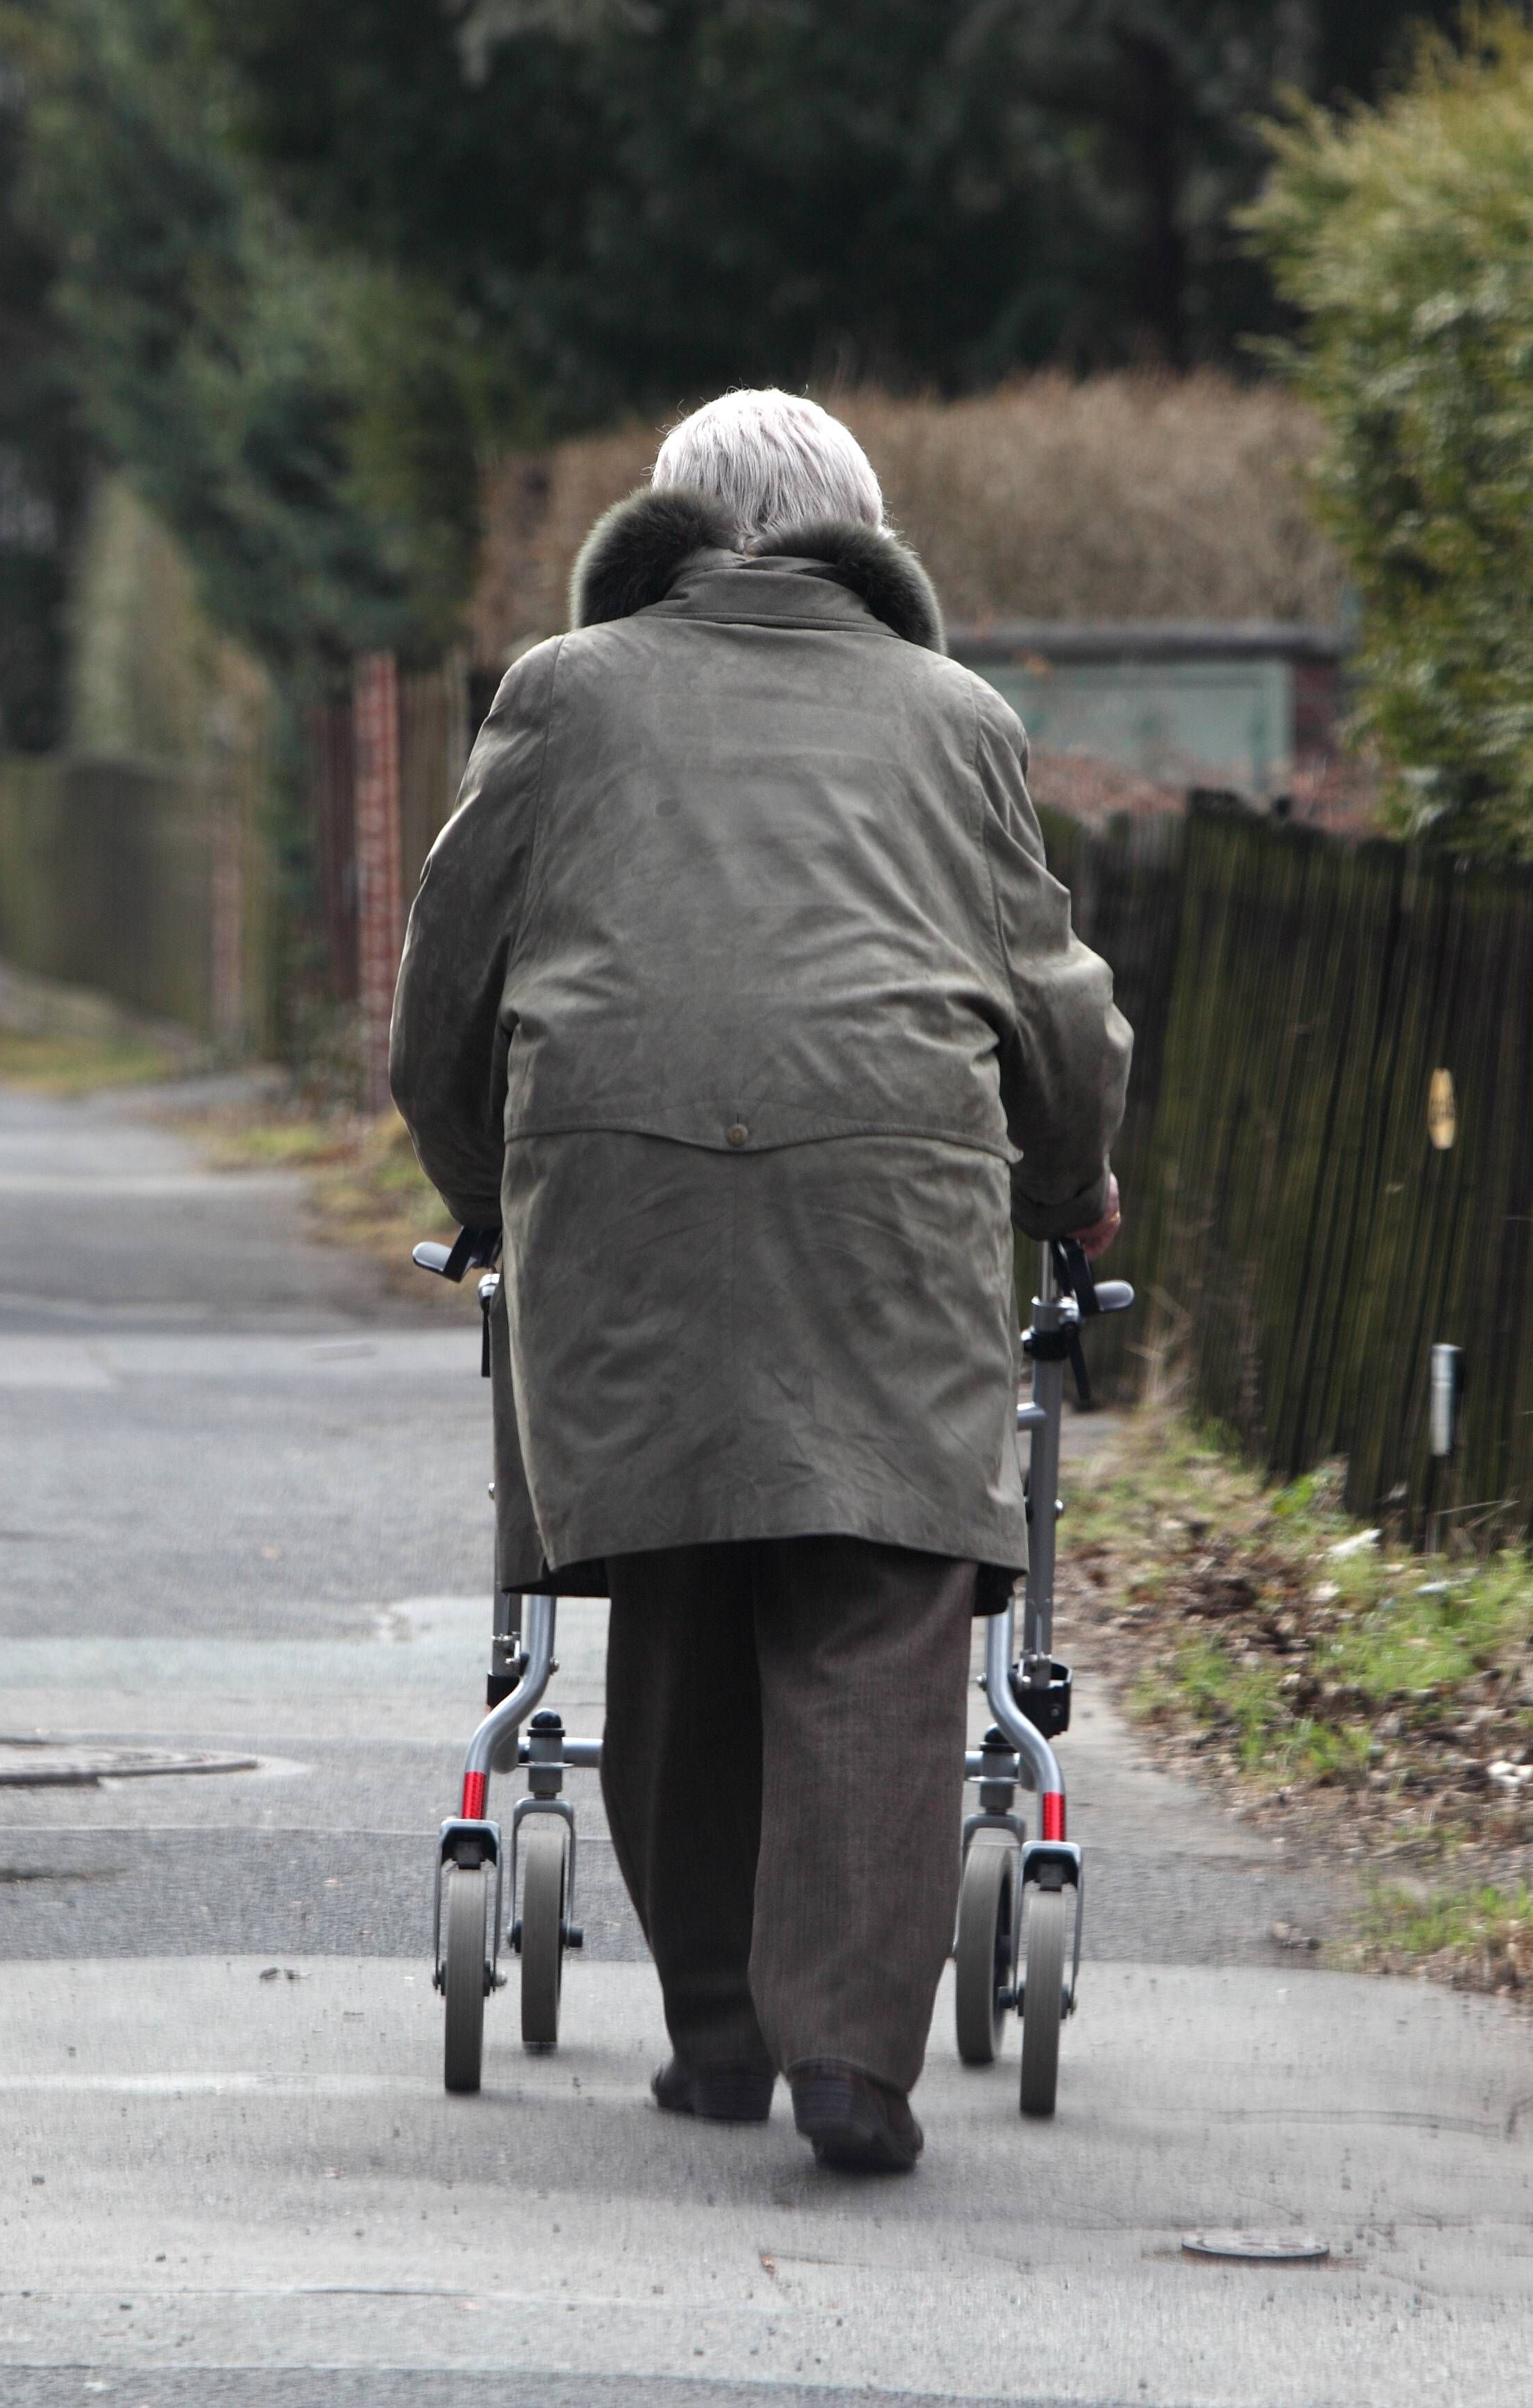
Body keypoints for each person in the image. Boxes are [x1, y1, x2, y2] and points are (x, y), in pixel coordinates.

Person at [390, 389, 1130, 2173]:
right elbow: (1055, 1008)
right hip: (893, 1205)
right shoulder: (956, 719)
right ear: (857, 537)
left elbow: (444, 997)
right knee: (877, 1599)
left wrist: (488, 1195)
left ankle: (718, 2040)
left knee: (684, 1584)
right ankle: (851, 2066)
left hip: (622, 1204)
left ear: (668, 525)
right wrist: (1073, 1188)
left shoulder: (560, 694)